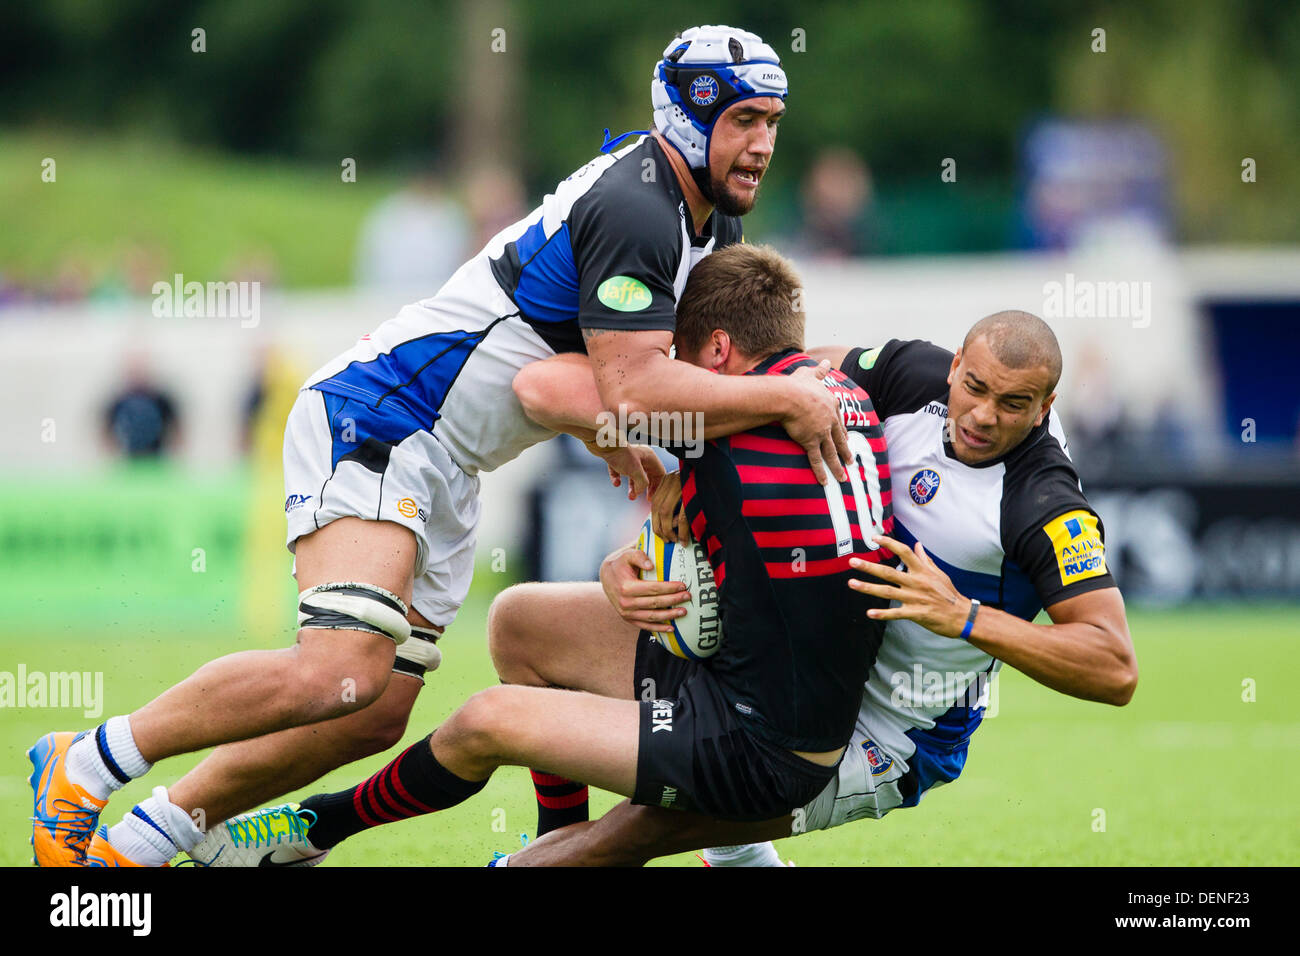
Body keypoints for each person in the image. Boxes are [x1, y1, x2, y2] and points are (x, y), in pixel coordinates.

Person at [30, 25, 849, 868]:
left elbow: (602, 385)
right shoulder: (640, 207)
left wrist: (635, 437)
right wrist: (779, 397)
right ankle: (89, 759)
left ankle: (140, 844)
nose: (763, 145)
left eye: (775, 122)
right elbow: (613, 387)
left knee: (366, 710)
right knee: (335, 667)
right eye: (745, 119)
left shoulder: (701, 224)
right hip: (387, 417)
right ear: (686, 117)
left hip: (450, 460)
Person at [187, 243, 895, 865]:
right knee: (521, 622)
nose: (658, 373)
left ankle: (316, 827)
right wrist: (645, 544)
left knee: (486, 721)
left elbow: (537, 386)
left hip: (762, 745)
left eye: (670, 357)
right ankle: (555, 840)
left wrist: (624, 432)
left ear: (714, 352)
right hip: (756, 671)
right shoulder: (833, 391)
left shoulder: (735, 423)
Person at [490, 309, 1140, 866]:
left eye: (1015, 404)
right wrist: (679, 479)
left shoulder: (1045, 502)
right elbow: (779, 385)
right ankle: (615, 841)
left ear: (1047, 407)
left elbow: (1114, 667)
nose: (985, 416)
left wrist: (964, 616)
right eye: (976, 388)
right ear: (955, 366)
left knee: (650, 820)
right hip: (775, 652)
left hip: (884, 731)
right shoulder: (908, 373)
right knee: (522, 626)